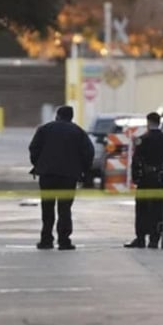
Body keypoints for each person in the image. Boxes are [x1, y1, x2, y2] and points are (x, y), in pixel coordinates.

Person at [28, 105, 94, 250]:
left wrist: (39, 164)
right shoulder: (78, 132)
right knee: (64, 208)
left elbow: (34, 148)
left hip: (47, 175)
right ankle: (64, 240)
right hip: (68, 176)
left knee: (47, 208)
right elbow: (88, 152)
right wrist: (83, 170)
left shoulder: (44, 129)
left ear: (57, 115)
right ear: (71, 117)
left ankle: (46, 240)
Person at [125, 112, 163, 249]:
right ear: (159, 122)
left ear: (148, 122)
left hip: (145, 178)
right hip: (159, 179)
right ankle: (154, 239)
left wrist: (136, 177)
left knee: (142, 208)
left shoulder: (142, 139)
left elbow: (135, 160)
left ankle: (140, 238)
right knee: (157, 209)